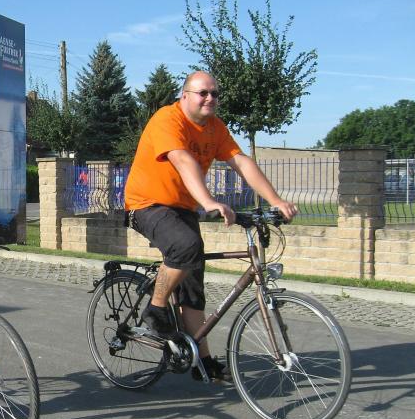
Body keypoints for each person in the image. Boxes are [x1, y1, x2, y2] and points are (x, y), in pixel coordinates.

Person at [124, 70, 298, 382]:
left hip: (182, 208)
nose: (210, 98)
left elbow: (241, 162)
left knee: (193, 288)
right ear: (185, 95)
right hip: (147, 204)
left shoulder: (216, 128)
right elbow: (182, 159)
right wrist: (208, 200)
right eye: (202, 92)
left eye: (215, 93)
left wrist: (275, 200)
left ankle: (202, 362)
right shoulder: (168, 119)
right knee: (186, 246)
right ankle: (156, 307)